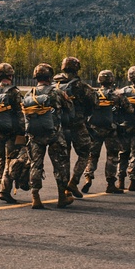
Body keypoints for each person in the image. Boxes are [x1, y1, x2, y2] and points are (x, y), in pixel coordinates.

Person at [23, 62, 74, 208]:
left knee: (35, 165)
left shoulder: (29, 93)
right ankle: (61, 197)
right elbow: (70, 109)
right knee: (60, 166)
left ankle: (35, 197)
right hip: (54, 134)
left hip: (35, 135)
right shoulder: (56, 92)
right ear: (50, 77)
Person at [53, 57, 98, 197]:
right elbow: (94, 102)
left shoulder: (56, 86)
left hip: (61, 127)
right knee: (84, 154)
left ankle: (64, 191)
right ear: (77, 68)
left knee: (64, 159)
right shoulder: (82, 86)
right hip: (78, 125)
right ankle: (73, 182)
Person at [83, 70, 132, 194]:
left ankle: (88, 177)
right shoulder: (117, 95)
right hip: (111, 130)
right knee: (112, 156)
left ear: (99, 80)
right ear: (112, 80)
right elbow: (130, 110)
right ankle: (110, 184)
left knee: (92, 155)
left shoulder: (93, 94)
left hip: (94, 130)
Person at [0, 62, 27, 204]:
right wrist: (23, 131)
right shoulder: (14, 92)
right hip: (11, 133)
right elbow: (19, 113)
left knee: (2, 159)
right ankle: (4, 190)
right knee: (11, 160)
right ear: (10, 75)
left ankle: (1, 183)